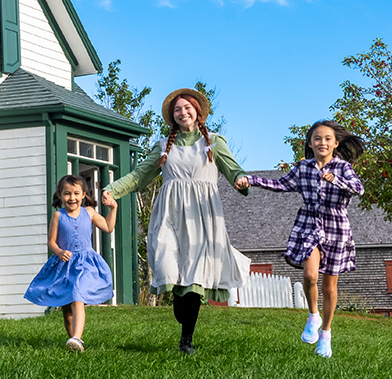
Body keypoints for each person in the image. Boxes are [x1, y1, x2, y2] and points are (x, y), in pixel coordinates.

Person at [103, 88, 250, 354]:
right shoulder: (162, 147)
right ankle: (183, 315)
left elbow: (232, 168)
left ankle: (186, 340)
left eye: (187, 107)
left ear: (198, 111)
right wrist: (112, 189)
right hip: (169, 215)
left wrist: (241, 180)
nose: (183, 113)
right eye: (177, 110)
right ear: (172, 117)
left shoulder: (214, 142)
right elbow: (139, 176)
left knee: (193, 280)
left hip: (201, 218)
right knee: (171, 271)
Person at [236, 120, 365, 357]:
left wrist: (334, 180)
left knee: (329, 286)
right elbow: (280, 185)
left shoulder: (343, 167)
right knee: (309, 275)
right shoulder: (303, 167)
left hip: (336, 229)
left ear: (336, 143)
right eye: (317, 138)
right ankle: (313, 315)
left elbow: (358, 189)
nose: (322, 142)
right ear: (310, 143)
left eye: (327, 139)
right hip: (308, 225)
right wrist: (252, 179)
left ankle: (325, 333)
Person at [23, 174, 117, 352]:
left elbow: (108, 227)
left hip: (85, 264)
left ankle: (77, 338)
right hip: (64, 266)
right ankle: (73, 342)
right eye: (67, 194)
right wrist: (59, 251)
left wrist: (113, 208)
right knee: (67, 310)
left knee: (78, 297)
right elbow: (51, 241)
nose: (71, 198)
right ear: (59, 195)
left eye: (76, 193)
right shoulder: (58, 216)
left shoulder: (89, 212)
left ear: (83, 194)